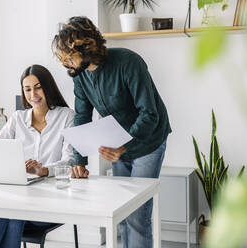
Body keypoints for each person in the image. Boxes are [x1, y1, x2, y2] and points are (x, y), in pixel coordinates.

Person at [52, 16, 172, 248]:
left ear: (87, 47)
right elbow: (82, 117)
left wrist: (124, 147)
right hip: (118, 144)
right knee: (122, 211)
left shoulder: (129, 62)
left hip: (148, 140)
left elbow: (149, 114)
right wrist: (80, 161)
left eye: (69, 57)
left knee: (137, 214)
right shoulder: (81, 76)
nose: (65, 63)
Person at [0, 64, 75, 248]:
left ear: (48, 87)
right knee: (10, 210)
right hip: (18, 198)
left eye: (38, 87)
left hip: (51, 201)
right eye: (27, 89)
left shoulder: (66, 116)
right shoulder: (17, 118)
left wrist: (44, 170)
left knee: (10, 211)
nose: (33, 94)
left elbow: (70, 160)